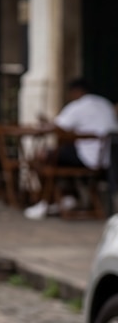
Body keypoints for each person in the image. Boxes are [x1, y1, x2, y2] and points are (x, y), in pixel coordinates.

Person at [24, 78, 118, 219]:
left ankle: (51, 200)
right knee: (58, 155)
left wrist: (46, 123)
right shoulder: (105, 103)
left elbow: (58, 126)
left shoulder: (78, 106)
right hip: (108, 159)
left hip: (88, 158)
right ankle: (67, 197)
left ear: (76, 92)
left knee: (43, 156)